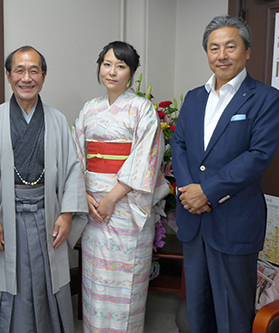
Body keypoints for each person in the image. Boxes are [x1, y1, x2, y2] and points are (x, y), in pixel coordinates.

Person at [0, 45, 88, 333]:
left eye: (34, 71)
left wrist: (67, 215)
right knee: (7, 283)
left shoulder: (56, 120)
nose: (26, 78)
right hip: (4, 217)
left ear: (43, 76)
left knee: (48, 282)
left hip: (48, 215)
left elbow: (71, 169)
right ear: (8, 76)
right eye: (19, 70)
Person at [171, 15, 279, 332]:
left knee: (233, 311)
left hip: (234, 220)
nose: (222, 55)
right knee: (197, 308)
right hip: (194, 219)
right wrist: (187, 190)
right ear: (207, 53)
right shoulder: (195, 98)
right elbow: (178, 143)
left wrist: (205, 191)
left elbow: (258, 156)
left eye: (230, 46)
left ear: (247, 51)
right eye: (214, 48)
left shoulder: (266, 98)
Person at [72, 41, 169, 333]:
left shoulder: (142, 109)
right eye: (107, 64)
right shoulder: (89, 109)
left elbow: (146, 158)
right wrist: (85, 195)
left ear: (132, 72)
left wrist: (112, 198)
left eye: (121, 66)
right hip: (93, 209)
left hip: (126, 207)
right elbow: (76, 154)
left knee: (126, 282)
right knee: (95, 280)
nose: (112, 72)